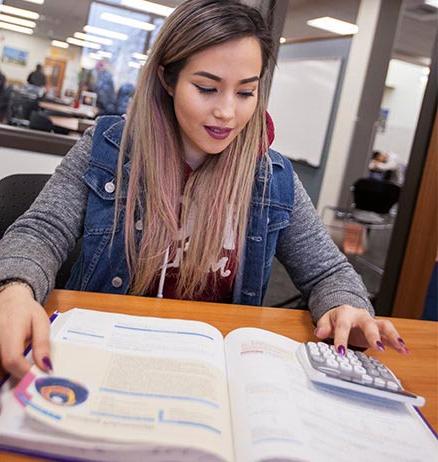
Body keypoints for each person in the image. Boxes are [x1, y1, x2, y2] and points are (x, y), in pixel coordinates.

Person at [0, 0, 408, 379]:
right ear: (168, 78)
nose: (228, 112)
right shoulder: (108, 147)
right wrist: (15, 288)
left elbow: (328, 271)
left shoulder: (270, 176)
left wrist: (346, 307)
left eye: (246, 92)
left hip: (209, 370)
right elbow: (42, 230)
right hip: (103, 353)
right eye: (207, 88)